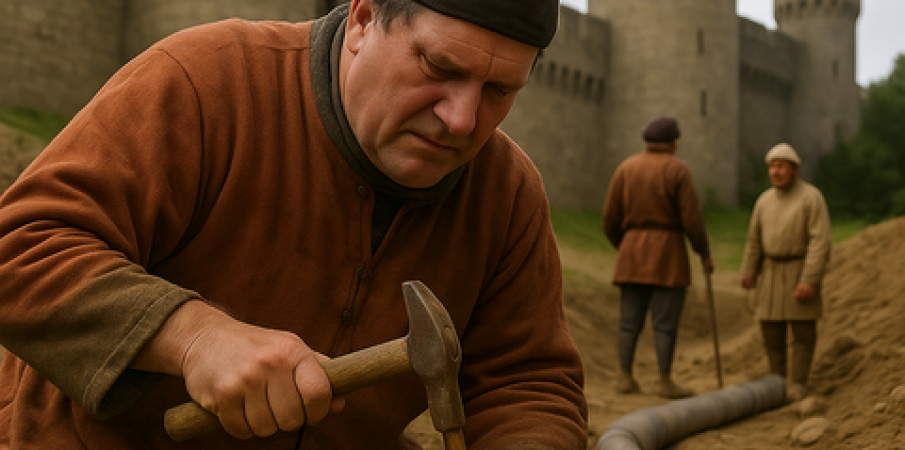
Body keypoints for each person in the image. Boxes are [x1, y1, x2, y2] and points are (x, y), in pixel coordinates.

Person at [0, 0, 588, 448]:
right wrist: (193, 336)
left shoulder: (507, 194)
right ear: (362, 20)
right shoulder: (206, 84)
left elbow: (526, 384)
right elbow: (20, 251)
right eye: (438, 65)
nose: (461, 120)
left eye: (499, 90)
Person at [601, 116, 714, 399]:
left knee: (628, 322)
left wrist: (626, 246)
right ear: (674, 144)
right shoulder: (678, 170)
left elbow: (609, 220)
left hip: (631, 254)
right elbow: (692, 220)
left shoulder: (626, 168)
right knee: (665, 325)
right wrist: (703, 252)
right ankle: (664, 381)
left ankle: (624, 377)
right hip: (669, 255)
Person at [740, 143, 832, 402]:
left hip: (797, 271)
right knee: (771, 334)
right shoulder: (764, 200)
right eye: (772, 166)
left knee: (803, 334)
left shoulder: (811, 198)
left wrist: (809, 279)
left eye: (781, 166)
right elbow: (754, 240)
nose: (775, 171)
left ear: (794, 169)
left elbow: (820, 241)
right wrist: (749, 270)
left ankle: (798, 383)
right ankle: (777, 382)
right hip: (769, 273)